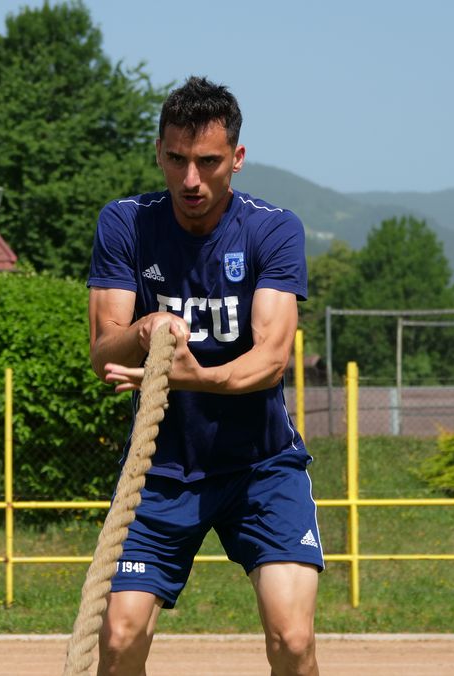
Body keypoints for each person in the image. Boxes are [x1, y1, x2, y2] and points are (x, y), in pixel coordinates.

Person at [87, 76, 321, 676]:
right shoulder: (125, 223)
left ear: (236, 158)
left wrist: (194, 378)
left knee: (293, 639)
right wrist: (143, 330)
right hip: (161, 472)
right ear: (159, 153)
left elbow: (271, 359)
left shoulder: (273, 229)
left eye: (208, 162)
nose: (191, 179)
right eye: (177, 159)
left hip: (261, 468)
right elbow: (103, 348)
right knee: (119, 637)